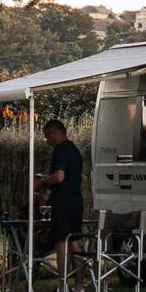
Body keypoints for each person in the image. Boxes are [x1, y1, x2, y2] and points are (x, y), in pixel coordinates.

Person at [38, 116, 87, 275]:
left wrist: (42, 182)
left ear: (54, 133)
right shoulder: (75, 150)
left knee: (61, 242)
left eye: (47, 136)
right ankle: (79, 284)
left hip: (62, 203)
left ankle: (62, 284)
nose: (47, 141)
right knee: (74, 241)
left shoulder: (60, 150)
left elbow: (59, 176)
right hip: (76, 201)